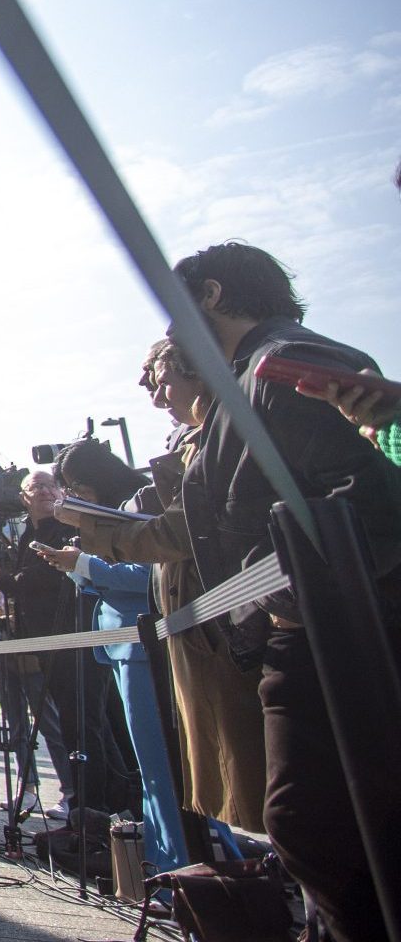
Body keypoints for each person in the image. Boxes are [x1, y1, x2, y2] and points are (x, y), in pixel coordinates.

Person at [168, 242, 401, 942]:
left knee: (316, 827)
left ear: (209, 295)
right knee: (321, 831)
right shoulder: (242, 381)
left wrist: (281, 586)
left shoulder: (286, 362)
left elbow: (368, 500)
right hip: (306, 635)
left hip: (336, 640)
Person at [59, 340, 266, 835]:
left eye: (164, 383)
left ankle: (198, 863)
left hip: (196, 635)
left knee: (190, 774)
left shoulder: (222, 439)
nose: (156, 399)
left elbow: (166, 549)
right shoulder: (189, 445)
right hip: (165, 641)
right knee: (172, 773)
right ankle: (177, 862)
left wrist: (87, 560)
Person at [40, 439, 190, 876]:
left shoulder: (138, 502)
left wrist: (83, 563)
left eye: (75, 488)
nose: (73, 498)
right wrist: (77, 567)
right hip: (122, 645)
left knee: (162, 766)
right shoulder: (108, 513)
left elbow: (148, 572)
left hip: (145, 645)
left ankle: (175, 864)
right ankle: (161, 858)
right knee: (149, 767)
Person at [0, 471, 76, 819]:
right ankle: (28, 787)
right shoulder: (23, 536)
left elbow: (45, 576)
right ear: (23, 497)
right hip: (13, 639)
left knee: (51, 722)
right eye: (37, 487)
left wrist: (4, 582)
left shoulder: (64, 528)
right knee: (16, 724)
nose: (46, 491)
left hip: (47, 642)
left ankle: (72, 791)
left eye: (51, 485)